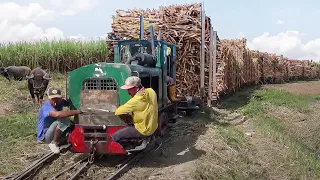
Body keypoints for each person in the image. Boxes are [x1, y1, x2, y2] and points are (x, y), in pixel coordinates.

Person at [113, 76, 158, 151]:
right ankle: (148, 137)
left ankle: (137, 143)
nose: (128, 92)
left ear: (136, 88)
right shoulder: (151, 91)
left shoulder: (135, 101)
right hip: (153, 126)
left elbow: (118, 111)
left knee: (116, 137)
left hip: (143, 130)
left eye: (129, 89)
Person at [37, 86, 83, 154]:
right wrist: (78, 111)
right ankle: (54, 142)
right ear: (49, 98)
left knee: (71, 123)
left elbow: (70, 102)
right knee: (63, 120)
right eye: (53, 98)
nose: (55, 100)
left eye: (57, 98)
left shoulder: (60, 102)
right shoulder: (47, 107)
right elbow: (57, 115)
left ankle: (66, 138)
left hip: (53, 129)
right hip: (46, 136)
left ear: (61, 98)